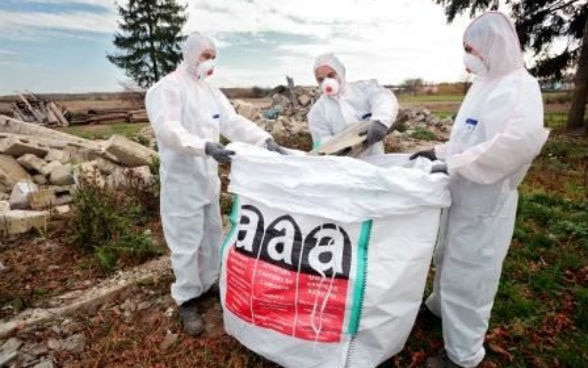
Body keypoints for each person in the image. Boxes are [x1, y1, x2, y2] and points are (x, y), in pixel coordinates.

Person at [409, 12, 549, 368]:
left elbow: (511, 146)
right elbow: (467, 138)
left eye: (470, 48)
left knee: (470, 275)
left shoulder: (519, 87)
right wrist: (439, 153)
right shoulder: (484, 83)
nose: (467, 56)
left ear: (492, 46)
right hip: (461, 192)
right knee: (447, 256)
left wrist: (452, 164)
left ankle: (463, 356)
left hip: (486, 200)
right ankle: (439, 308)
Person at [145, 32, 287, 336]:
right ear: (191, 54)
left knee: (211, 236)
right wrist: (205, 146)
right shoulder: (168, 87)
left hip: (207, 179)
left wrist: (265, 140)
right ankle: (186, 299)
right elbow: (168, 129)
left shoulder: (210, 92)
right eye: (205, 55)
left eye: (213, 57)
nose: (209, 62)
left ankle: (209, 285)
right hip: (182, 181)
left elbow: (232, 122)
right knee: (185, 242)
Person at [308, 53, 399, 157]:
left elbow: (384, 98)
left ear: (340, 72)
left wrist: (381, 121)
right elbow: (320, 143)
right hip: (345, 167)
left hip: (374, 160)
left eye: (331, 75)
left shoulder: (363, 90)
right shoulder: (317, 111)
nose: (327, 82)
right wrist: (335, 148)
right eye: (321, 79)